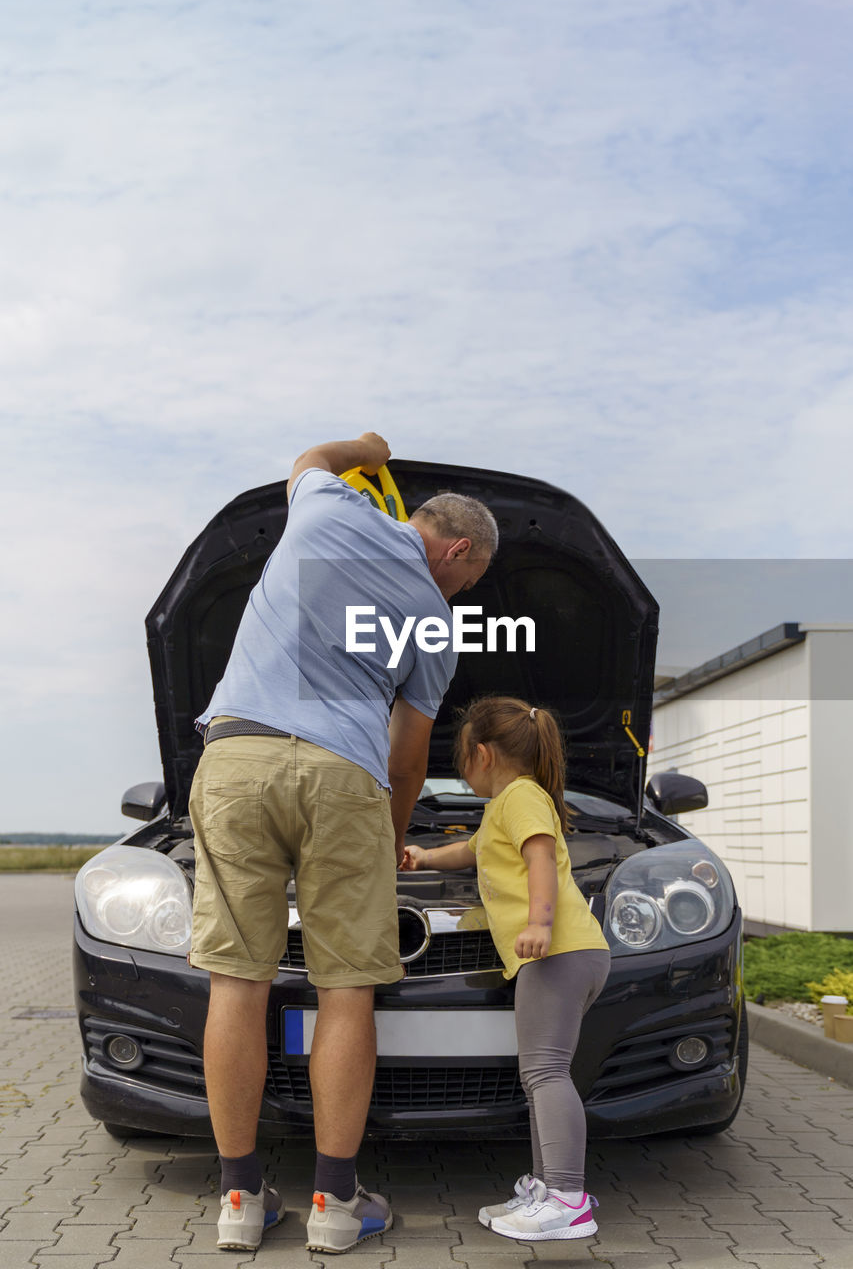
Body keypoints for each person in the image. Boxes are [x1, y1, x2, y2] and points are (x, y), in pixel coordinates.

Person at [187, 432, 497, 1254]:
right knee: (347, 989)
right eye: (468, 579)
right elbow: (407, 756)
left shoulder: (326, 507)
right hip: (344, 777)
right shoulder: (433, 620)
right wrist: (390, 843)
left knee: (236, 982)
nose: (460, 592)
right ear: (457, 548)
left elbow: (308, 459)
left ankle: (240, 1201)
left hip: (238, 757)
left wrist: (368, 444)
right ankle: (332, 1202)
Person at [402, 696, 611, 1243]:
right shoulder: (509, 803)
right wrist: (424, 856)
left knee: (546, 1072)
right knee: (539, 1073)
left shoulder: (521, 798)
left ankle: (568, 1198)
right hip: (562, 955)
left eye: (460, 754)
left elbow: (540, 857)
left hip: (557, 951)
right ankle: (548, 1190)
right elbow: (473, 850)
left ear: (482, 753)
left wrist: (540, 923)